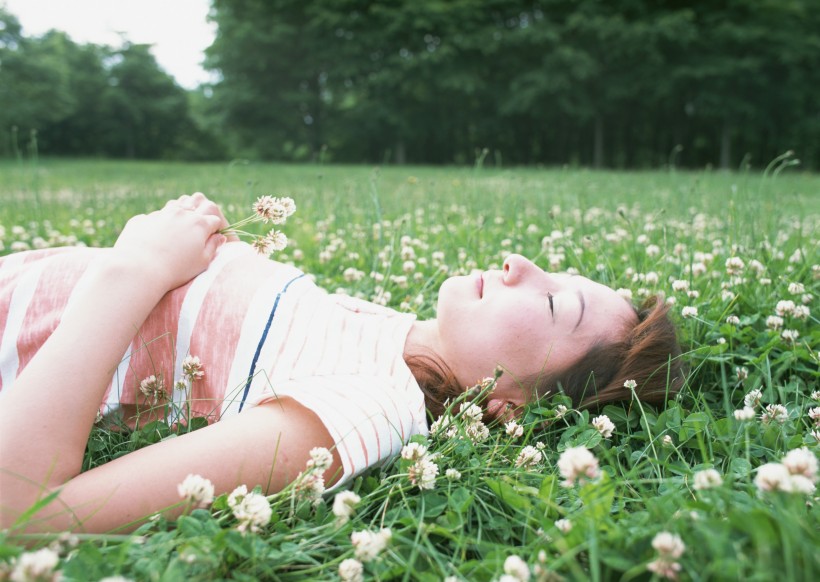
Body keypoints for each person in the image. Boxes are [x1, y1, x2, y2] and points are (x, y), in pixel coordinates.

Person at [0, 193, 684, 533]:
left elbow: (23, 509)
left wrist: (136, 267)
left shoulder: (367, 406)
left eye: (555, 304)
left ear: (509, 405)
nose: (523, 263)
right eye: (555, 270)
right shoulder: (388, 334)